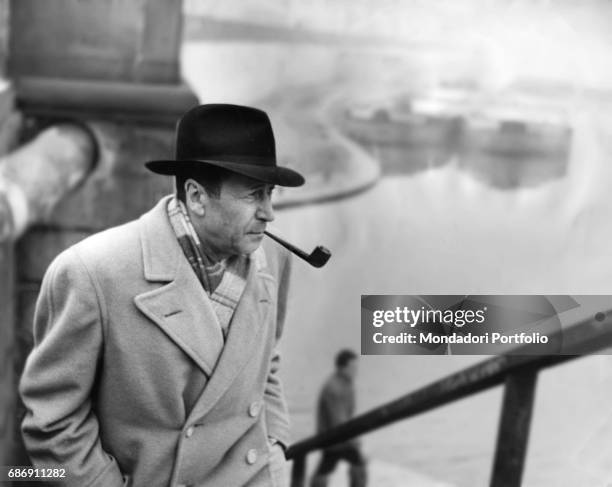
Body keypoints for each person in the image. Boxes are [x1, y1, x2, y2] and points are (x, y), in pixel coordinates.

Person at [19, 104, 305, 487]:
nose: (269, 213)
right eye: (254, 195)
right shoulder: (93, 273)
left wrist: (275, 446)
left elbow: (265, 362)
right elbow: (53, 422)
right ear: (197, 196)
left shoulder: (274, 257)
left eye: (271, 193)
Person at [310, 349, 367, 487]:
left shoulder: (347, 383)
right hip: (333, 439)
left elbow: (348, 415)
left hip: (339, 437)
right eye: (352, 367)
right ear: (342, 368)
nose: (356, 371)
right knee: (357, 463)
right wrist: (354, 439)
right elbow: (338, 422)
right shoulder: (333, 388)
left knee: (330, 466)